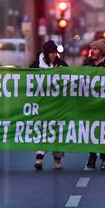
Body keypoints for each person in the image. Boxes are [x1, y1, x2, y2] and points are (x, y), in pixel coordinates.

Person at [30, 40, 67, 170]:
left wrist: (63, 72)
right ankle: (39, 157)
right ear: (46, 53)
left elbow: (71, 76)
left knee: (56, 130)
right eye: (51, 52)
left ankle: (57, 159)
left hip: (57, 104)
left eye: (55, 52)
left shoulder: (61, 64)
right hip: (42, 104)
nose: (53, 55)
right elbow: (27, 78)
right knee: (41, 129)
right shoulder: (36, 65)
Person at [84, 39, 105, 171]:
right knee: (90, 130)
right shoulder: (87, 65)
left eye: (95, 48)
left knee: (104, 132)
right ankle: (92, 156)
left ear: (101, 52)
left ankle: (104, 159)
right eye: (91, 48)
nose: (92, 51)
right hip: (90, 104)